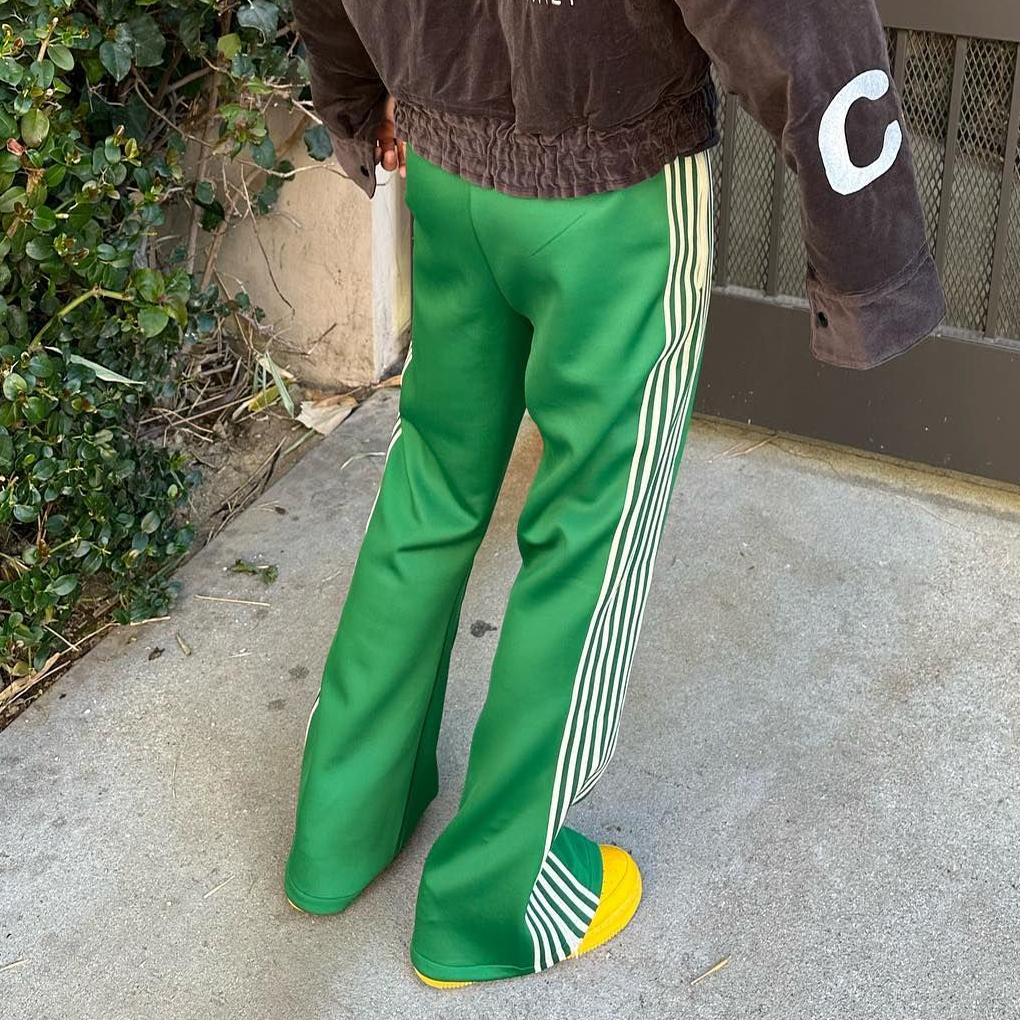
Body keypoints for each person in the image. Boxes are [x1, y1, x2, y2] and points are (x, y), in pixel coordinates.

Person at [284, 0, 946, 988]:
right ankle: (492, 905)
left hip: (445, 163)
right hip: (613, 198)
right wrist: (871, 263)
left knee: (432, 487)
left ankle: (340, 829)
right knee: (594, 528)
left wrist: (354, 96)